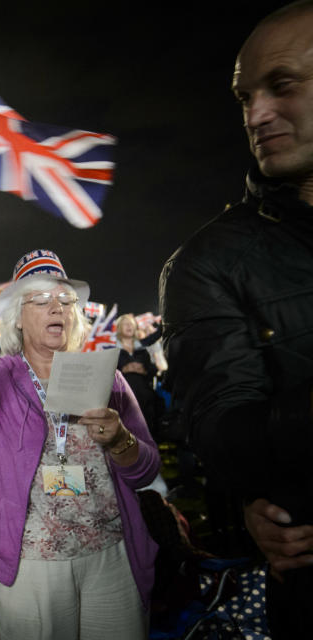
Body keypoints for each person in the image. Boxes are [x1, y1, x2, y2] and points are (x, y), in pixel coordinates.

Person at [158, 3, 313, 636]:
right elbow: (224, 437)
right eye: (245, 96)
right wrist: (251, 502)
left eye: (282, 86)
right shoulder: (207, 262)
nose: (255, 115)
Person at [0, 249, 160, 640]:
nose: (55, 307)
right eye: (40, 300)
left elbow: (146, 469)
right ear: (17, 319)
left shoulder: (105, 376)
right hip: (30, 564)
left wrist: (119, 440)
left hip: (111, 556)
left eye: (64, 300)